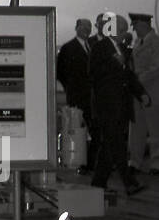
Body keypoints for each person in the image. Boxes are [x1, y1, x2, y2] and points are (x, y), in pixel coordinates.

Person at [88, 13, 150, 196]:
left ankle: (98, 183)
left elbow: (129, 76)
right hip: (107, 106)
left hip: (121, 106)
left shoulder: (123, 48)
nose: (125, 33)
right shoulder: (100, 48)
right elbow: (93, 74)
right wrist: (114, 64)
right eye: (122, 30)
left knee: (109, 145)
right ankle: (129, 183)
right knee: (116, 144)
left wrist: (141, 94)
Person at [57, 19, 94, 170]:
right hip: (77, 95)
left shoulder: (92, 46)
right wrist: (70, 87)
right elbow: (60, 71)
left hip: (91, 96)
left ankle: (89, 162)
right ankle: (79, 161)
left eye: (89, 27)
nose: (86, 30)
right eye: (83, 27)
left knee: (91, 129)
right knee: (79, 129)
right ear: (76, 28)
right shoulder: (68, 48)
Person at [129, 14, 159, 173]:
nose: (135, 30)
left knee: (155, 129)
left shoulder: (156, 42)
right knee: (137, 128)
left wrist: (139, 79)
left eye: (136, 27)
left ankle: (156, 162)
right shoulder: (137, 43)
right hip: (138, 92)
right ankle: (135, 161)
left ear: (144, 25)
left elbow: (156, 67)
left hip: (153, 91)